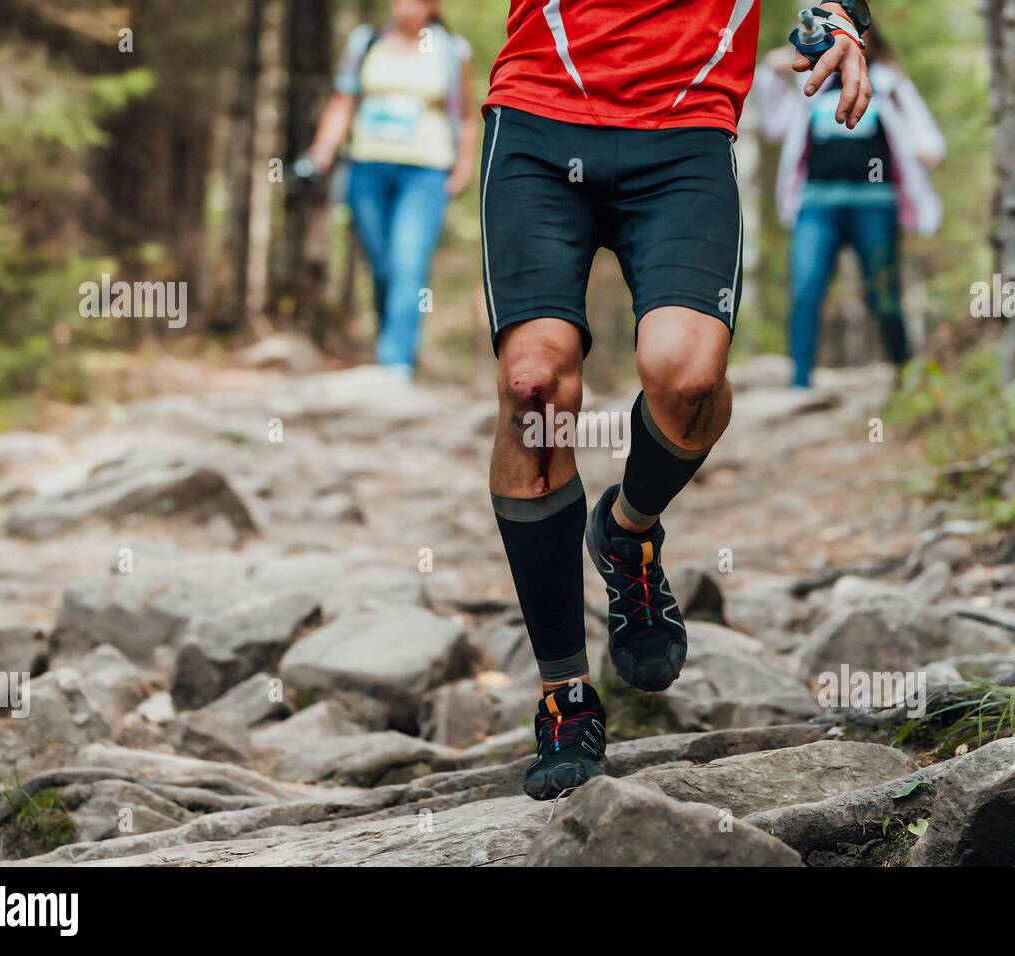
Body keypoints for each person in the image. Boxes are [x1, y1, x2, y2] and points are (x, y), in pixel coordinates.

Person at [480, 0, 875, 799]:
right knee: (534, 390)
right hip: (539, 116)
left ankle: (626, 534)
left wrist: (843, 21)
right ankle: (565, 695)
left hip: (685, 123)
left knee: (688, 374)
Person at [755, 26, 944, 389]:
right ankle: (800, 382)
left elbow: (928, 137)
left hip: (875, 204)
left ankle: (905, 376)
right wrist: (770, 75)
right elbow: (773, 127)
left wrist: (926, 152)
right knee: (807, 288)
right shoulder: (810, 83)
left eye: (857, 35)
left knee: (883, 292)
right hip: (816, 204)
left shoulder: (889, 84)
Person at [307, 0, 475, 378]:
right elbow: (344, 100)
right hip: (367, 166)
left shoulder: (450, 49)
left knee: (408, 261)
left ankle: (395, 362)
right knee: (381, 265)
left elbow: (464, 113)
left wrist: (464, 164)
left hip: (426, 170)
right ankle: (392, 339)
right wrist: (322, 150)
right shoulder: (366, 42)